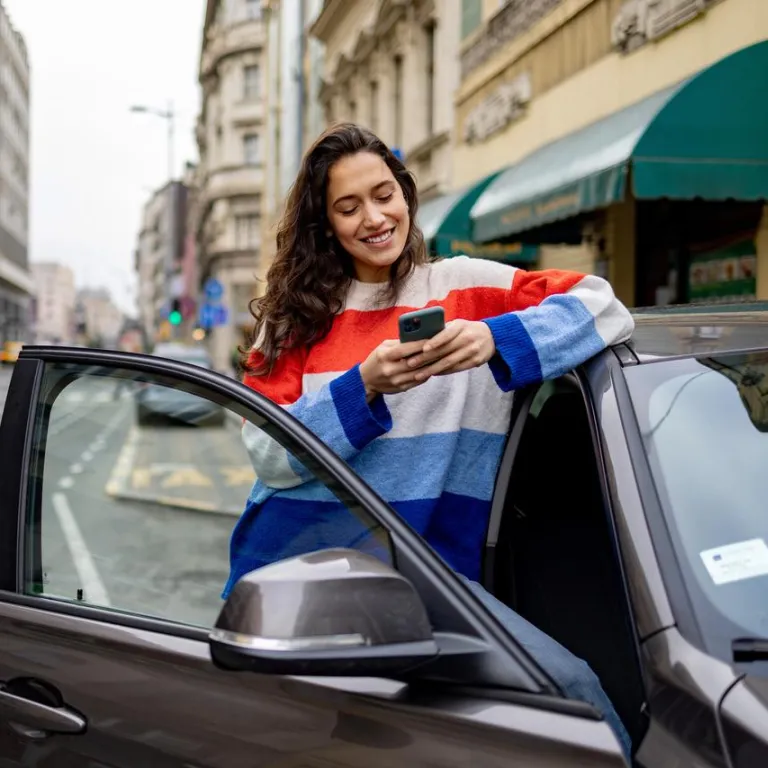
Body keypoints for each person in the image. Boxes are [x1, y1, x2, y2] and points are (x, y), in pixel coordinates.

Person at [226, 123, 634, 758]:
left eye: (383, 194)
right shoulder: (293, 318)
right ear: (324, 223)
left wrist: (498, 339)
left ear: (406, 193)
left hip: (427, 582)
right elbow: (267, 457)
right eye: (348, 206)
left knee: (573, 696)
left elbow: (604, 306)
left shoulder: (470, 286)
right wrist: (360, 385)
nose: (374, 217)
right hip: (294, 584)